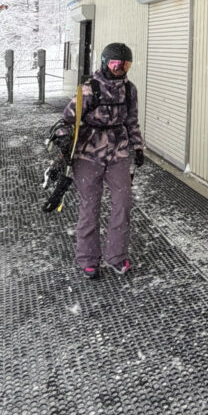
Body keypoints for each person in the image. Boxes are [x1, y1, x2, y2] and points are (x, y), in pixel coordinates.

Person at [61, 42, 144, 280]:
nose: (120, 70)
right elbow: (68, 119)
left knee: (123, 201)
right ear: (105, 63)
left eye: (125, 65)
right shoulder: (88, 90)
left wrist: (137, 146)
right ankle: (88, 258)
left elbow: (132, 121)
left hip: (118, 152)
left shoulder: (130, 90)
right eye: (115, 64)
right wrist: (64, 141)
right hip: (88, 153)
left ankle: (116, 256)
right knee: (90, 205)